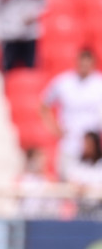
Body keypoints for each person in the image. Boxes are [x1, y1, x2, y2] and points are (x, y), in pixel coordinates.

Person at [41, 47, 102, 178]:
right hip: (69, 143)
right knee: (66, 183)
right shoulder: (64, 82)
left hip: (92, 149)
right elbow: (44, 105)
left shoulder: (99, 83)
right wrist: (55, 128)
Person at [65, 131, 102, 217]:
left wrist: (88, 188)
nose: (86, 147)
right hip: (81, 210)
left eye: (89, 144)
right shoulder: (78, 164)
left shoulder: (100, 164)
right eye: (85, 144)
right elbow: (71, 181)